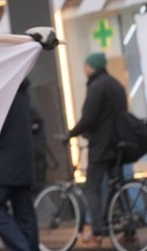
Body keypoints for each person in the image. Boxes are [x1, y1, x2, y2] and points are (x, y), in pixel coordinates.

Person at [68, 52, 126, 246]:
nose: (84, 69)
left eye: (86, 65)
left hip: (101, 147)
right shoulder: (115, 84)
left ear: (92, 67)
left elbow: (89, 118)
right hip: (117, 144)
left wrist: (71, 133)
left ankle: (97, 232)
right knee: (118, 186)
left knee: (92, 188)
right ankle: (129, 230)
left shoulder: (97, 86)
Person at [0, 78, 39, 251]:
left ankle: (22, 248)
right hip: (24, 163)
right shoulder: (23, 93)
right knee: (25, 213)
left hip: (1, 163)